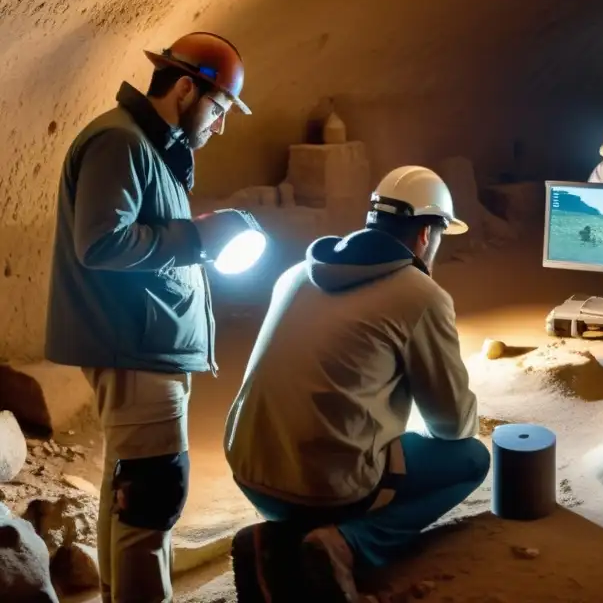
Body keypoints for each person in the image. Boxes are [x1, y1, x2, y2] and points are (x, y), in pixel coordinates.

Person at [45, 32, 256, 603]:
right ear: (186, 89)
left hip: (142, 343)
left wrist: (192, 233)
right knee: (153, 494)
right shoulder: (121, 142)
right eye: (217, 108)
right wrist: (193, 237)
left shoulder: (148, 146)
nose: (220, 125)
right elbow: (101, 243)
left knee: (132, 490)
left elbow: (144, 234)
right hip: (133, 349)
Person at [226, 166, 488, 602]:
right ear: (426, 234)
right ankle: (347, 544)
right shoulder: (420, 295)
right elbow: (452, 425)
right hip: (326, 492)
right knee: (472, 460)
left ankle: (273, 541)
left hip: (250, 475)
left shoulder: (296, 274)